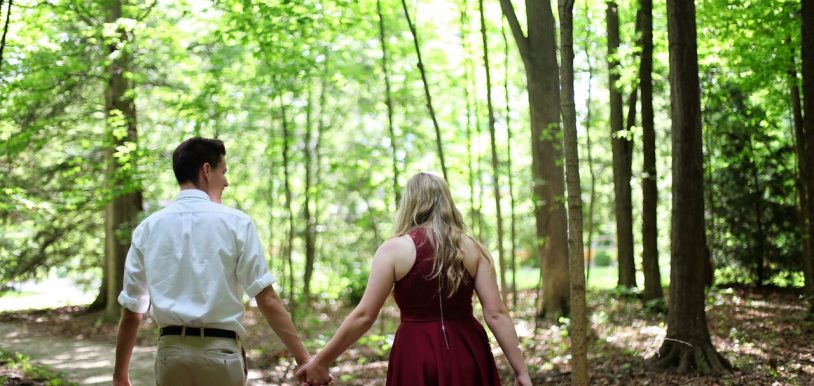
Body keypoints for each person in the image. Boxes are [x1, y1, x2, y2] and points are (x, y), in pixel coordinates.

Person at [112, 137, 325, 386]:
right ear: (206, 170)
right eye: (223, 171)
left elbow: (132, 311)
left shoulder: (148, 228)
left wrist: (120, 377)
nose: (226, 181)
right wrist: (304, 359)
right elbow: (266, 297)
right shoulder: (236, 223)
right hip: (221, 355)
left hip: (171, 355)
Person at [296, 172, 532, 386]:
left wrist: (321, 360)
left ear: (408, 204)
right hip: (467, 349)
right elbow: (496, 314)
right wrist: (521, 371)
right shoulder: (474, 249)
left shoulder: (393, 250)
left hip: (415, 353)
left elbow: (365, 315)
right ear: (447, 202)